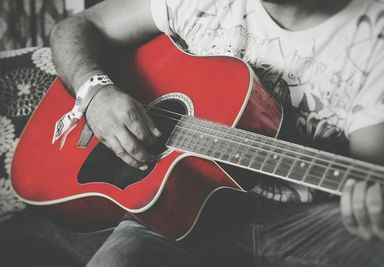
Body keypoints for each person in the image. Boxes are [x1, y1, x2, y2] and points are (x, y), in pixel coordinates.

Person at [50, 0, 384, 266]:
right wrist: (95, 94)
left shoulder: (373, 36)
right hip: (184, 207)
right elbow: (76, 27)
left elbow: (369, 173)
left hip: (308, 221)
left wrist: (369, 205)